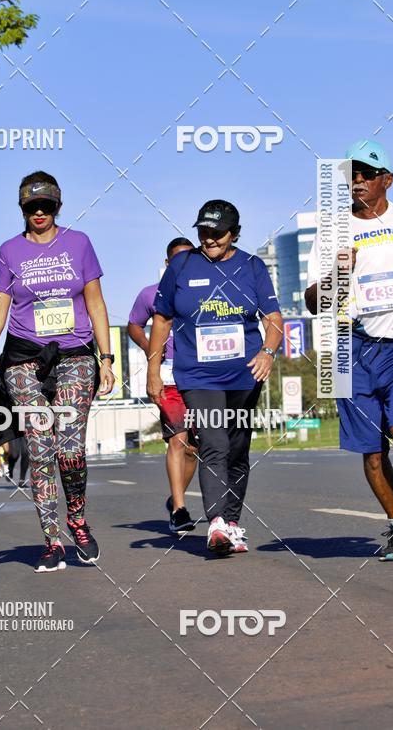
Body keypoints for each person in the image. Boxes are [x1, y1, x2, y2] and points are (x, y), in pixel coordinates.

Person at [0, 171, 114, 572]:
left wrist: (107, 359)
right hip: (23, 358)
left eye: (46, 206)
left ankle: (77, 520)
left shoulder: (79, 244)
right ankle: (52, 540)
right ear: (22, 209)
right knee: (40, 449)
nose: (39, 212)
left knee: (69, 447)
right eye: (32, 206)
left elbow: (97, 303)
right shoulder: (8, 251)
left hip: (75, 356)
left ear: (58, 207)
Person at [305, 140, 393, 561]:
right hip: (349, 345)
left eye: (367, 174)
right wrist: (338, 273)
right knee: (372, 453)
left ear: (387, 180)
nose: (357, 181)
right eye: (351, 175)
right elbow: (312, 302)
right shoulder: (333, 231)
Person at [148, 200, 282, 556]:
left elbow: (273, 317)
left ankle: (233, 523)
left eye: (217, 233)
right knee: (214, 442)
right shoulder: (181, 265)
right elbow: (161, 319)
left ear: (234, 234)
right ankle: (217, 522)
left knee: (237, 449)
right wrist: (152, 369)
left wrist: (267, 352)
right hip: (197, 375)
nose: (208, 239)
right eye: (203, 232)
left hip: (243, 375)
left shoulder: (252, 267)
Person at [128, 237, 198, 533]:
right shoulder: (150, 294)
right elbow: (134, 324)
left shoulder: (204, 290)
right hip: (169, 376)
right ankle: (180, 510)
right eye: (177, 260)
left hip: (199, 375)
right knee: (178, 440)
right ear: (167, 265)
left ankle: (175, 498)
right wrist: (151, 350)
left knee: (194, 448)